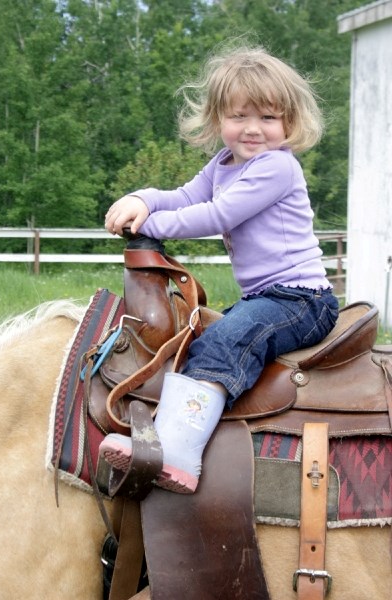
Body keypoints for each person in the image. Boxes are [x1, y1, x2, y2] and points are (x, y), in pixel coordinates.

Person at [99, 44, 339, 494]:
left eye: (268, 118)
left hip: (301, 300)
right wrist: (144, 199)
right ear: (217, 119)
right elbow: (187, 196)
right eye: (239, 116)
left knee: (226, 345)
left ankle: (179, 455)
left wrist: (149, 224)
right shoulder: (224, 163)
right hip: (266, 298)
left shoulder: (277, 167)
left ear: (289, 123)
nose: (253, 129)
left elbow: (216, 215)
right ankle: (166, 426)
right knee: (197, 339)